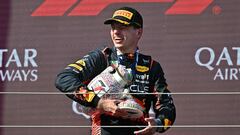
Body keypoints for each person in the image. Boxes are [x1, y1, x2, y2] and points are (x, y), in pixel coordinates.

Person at [55, 7, 176, 135]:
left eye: (123, 28)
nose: (116, 32)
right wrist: (99, 102)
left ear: (138, 32)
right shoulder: (102, 58)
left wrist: (157, 124)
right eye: (113, 27)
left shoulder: (151, 66)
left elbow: (167, 107)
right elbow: (63, 78)